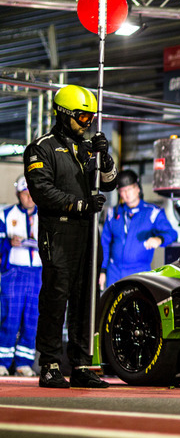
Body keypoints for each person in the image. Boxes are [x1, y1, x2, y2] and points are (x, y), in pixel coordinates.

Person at [24, 84, 117, 389]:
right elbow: (41, 191)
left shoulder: (88, 147)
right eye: (81, 116)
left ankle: (81, 364)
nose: (87, 122)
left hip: (89, 234)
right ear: (64, 114)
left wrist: (105, 158)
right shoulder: (41, 148)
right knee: (56, 297)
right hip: (59, 231)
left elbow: (109, 184)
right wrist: (80, 204)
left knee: (85, 300)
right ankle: (50, 364)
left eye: (91, 117)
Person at [99, 170, 178, 290]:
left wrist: (159, 239)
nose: (127, 194)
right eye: (123, 191)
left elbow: (172, 234)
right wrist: (102, 270)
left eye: (130, 189)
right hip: (113, 273)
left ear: (138, 189)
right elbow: (104, 243)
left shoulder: (153, 213)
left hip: (139, 272)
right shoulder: (112, 214)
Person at [0, 176, 42, 377]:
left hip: (38, 274)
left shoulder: (45, 216)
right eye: (25, 194)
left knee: (32, 319)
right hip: (14, 273)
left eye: (33, 193)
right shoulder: (6, 214)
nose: (30, 198)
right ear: (19, 194)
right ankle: (2, 361)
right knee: (9, 317)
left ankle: (23, 363)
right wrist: (8, 243)